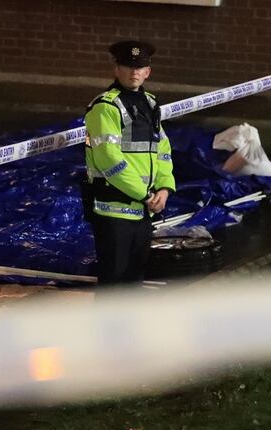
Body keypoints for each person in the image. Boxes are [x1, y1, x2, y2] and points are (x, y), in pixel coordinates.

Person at [84, 40, 176, 286]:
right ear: (116, 69)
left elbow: (162, 150)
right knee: (114, 284)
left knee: (133, 283)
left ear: (148, 72)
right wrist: (145, 194)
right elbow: (109, 161)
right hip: (113, 211)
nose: (134, 72)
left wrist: (165, 188)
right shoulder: (106, 107)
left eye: (140, 67)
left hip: (143, 211)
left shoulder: (151, 104)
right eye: (127, 66)